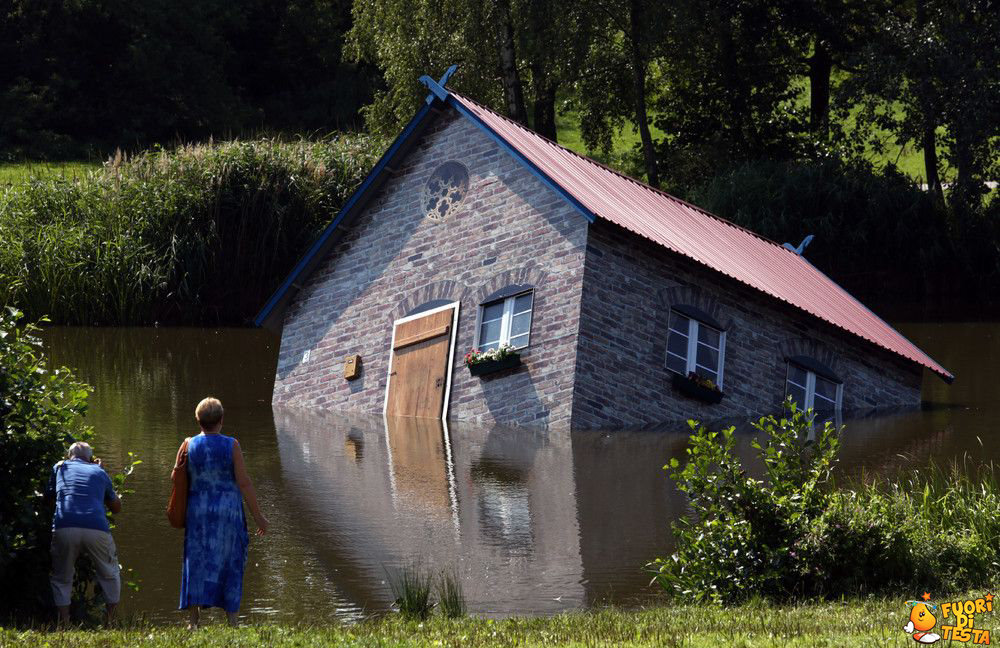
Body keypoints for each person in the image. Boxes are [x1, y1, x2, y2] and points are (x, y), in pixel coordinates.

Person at [176, 397, 268, 628]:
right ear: (222, 420)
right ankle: (233, 620)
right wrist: (259, 516)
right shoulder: (231, 445)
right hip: (228, 513)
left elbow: (175, 477)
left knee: (196, 560)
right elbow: (244, 482)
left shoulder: (188, 444)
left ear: (198, 420)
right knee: (231, 560)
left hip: (198, 512)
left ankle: (194, 622)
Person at [46, 441, 122, 626]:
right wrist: (101, 471)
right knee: (109, 572)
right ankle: (109, 620)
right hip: (96, 528)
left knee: (61, 576)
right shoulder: (99, 472)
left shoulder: (59, 467)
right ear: (90, 458)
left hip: (65, 526)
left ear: (68, 456)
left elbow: (48, 499)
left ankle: (64, 622)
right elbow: (116, 507)